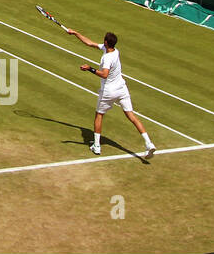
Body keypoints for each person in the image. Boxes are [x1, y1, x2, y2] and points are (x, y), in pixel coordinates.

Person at [63, 28, 157, 158]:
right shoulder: (114, 51)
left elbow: (104, 74)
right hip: (122, 89)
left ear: (106, 42)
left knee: (99, 115)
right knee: (131, 116)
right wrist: (75, 34)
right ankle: (149, 143)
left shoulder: (107, 58)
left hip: (109, 91)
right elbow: (90, 43)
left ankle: (96, 146)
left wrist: (89, 68)